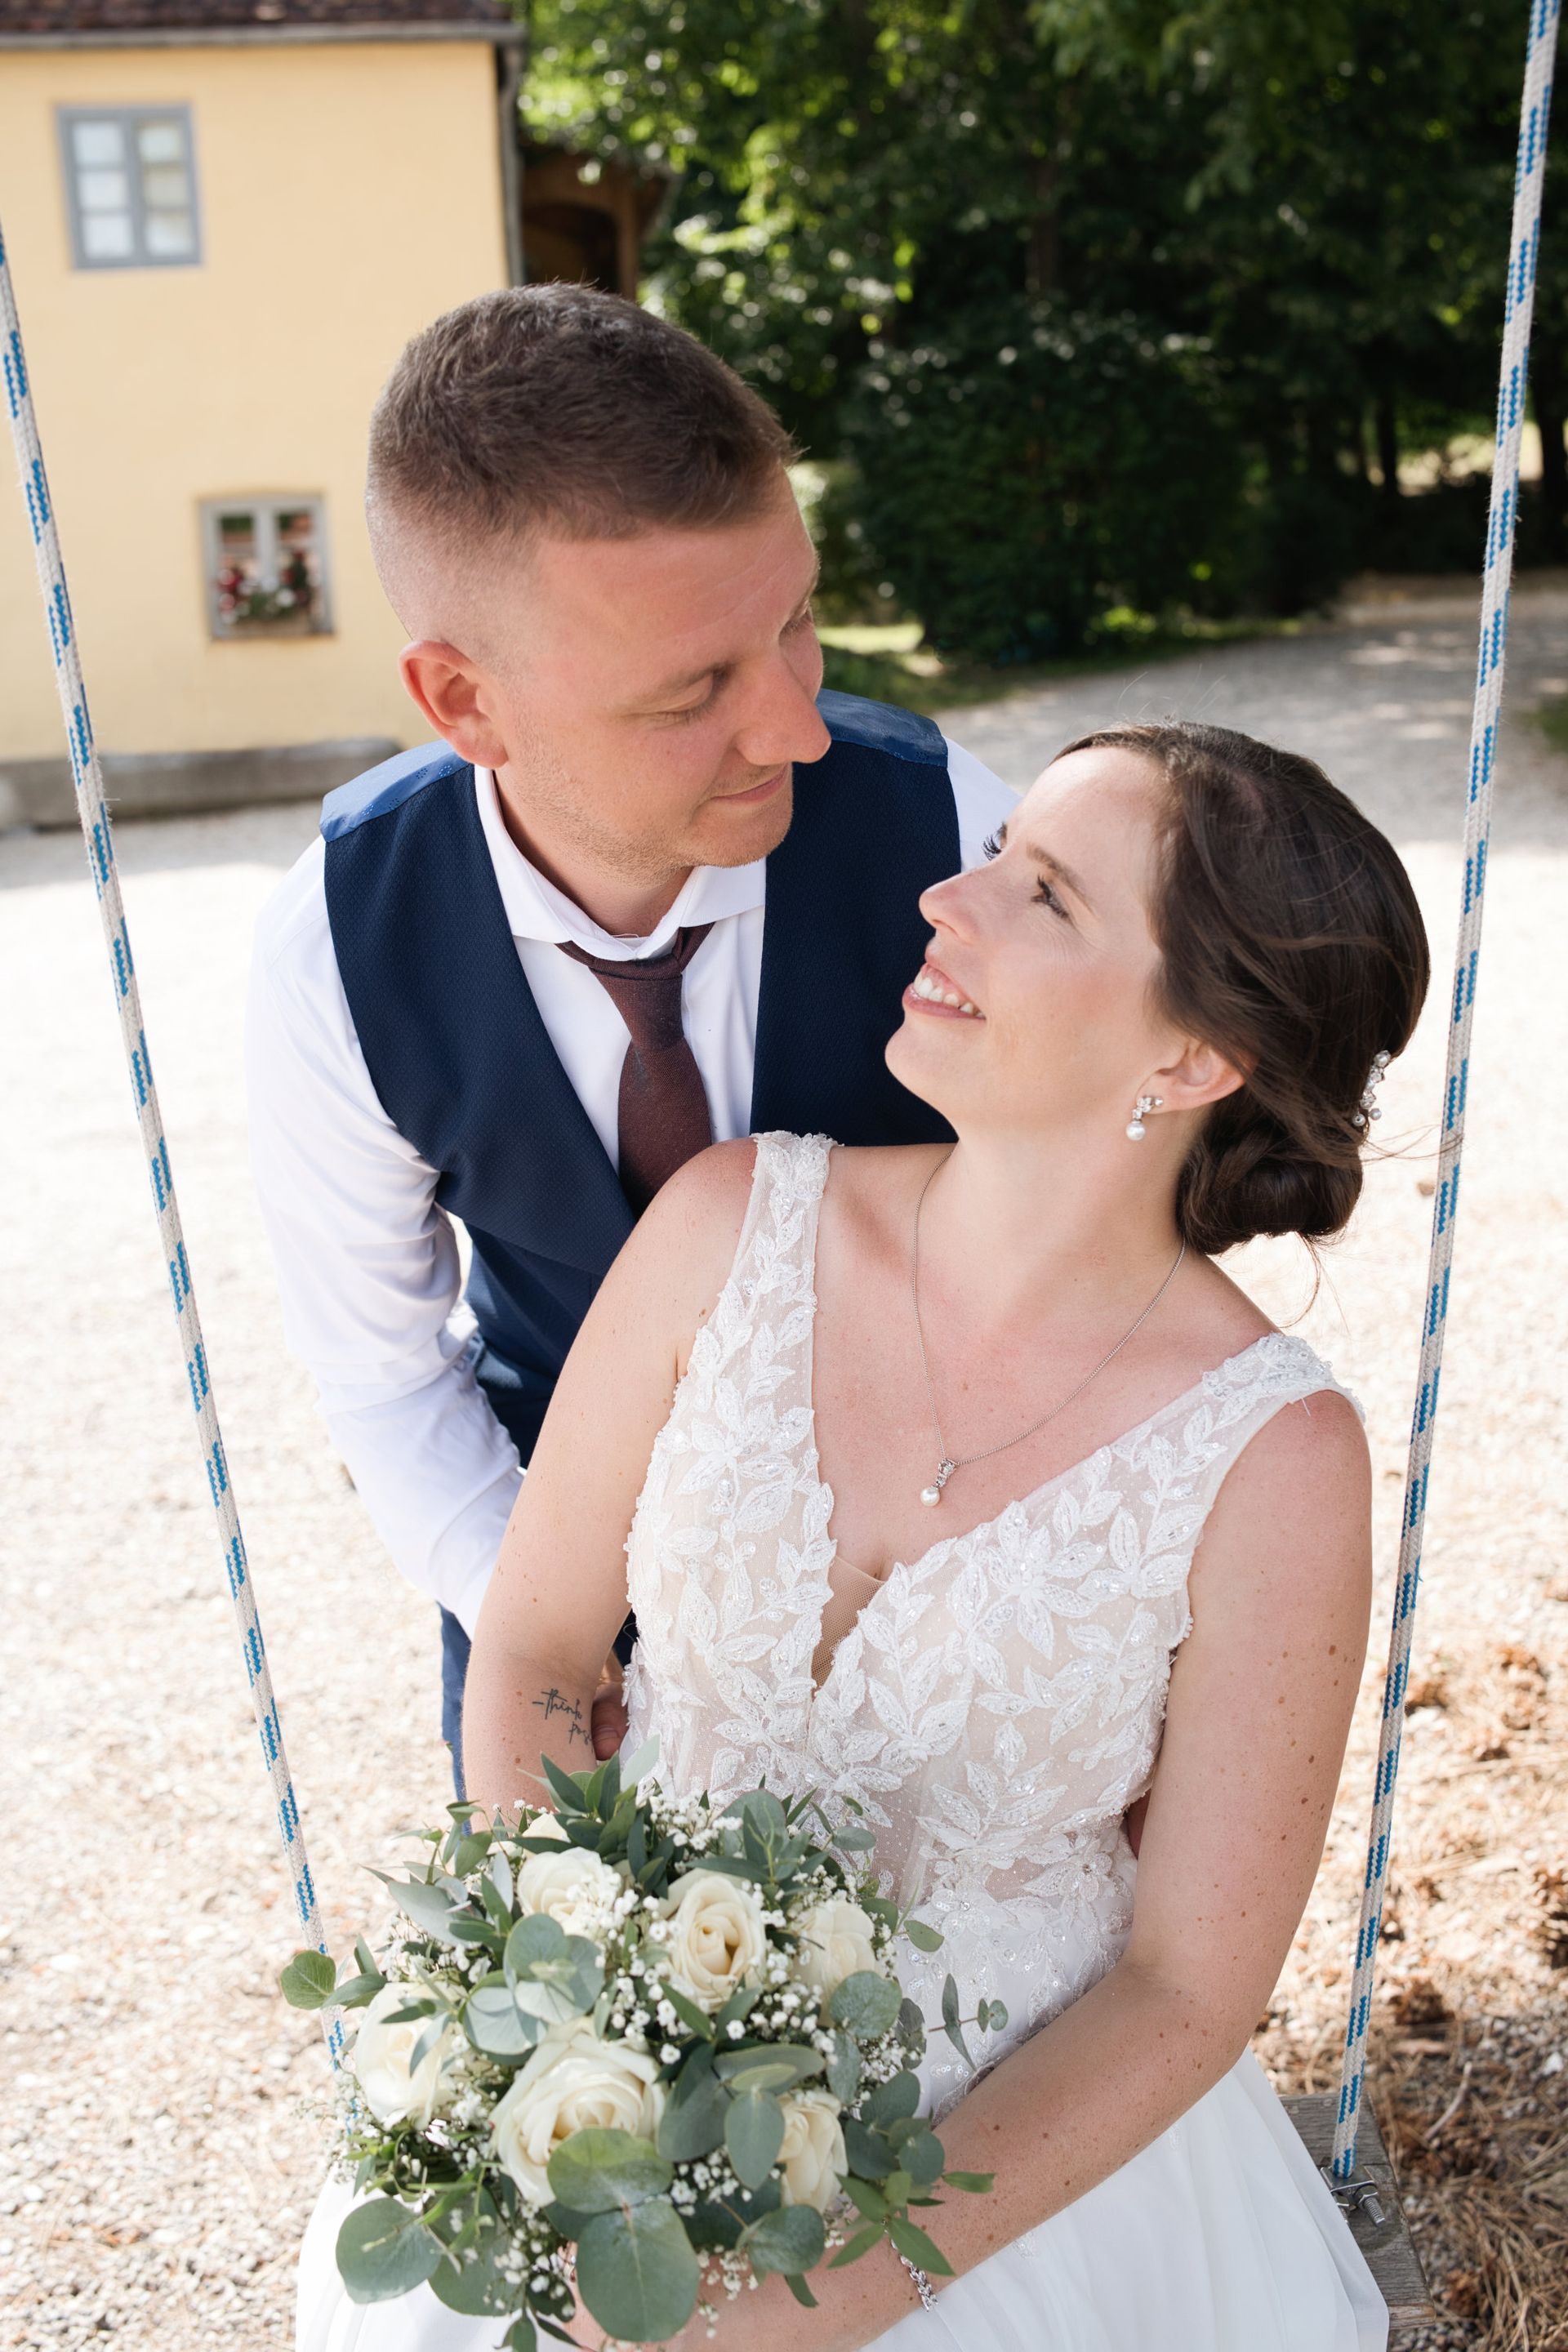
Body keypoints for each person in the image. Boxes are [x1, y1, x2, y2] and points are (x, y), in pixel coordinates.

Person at [301, 717, 1429, 2350]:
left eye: (1045, 895)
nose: (946, 900)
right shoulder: (726, 1222)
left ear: (1193, 1059)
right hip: (616, 2116)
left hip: (1006, 2179)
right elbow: (538, 1651)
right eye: (995, 857)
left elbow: (1187, 1988)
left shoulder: (1278, 1456)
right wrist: (572, 2036)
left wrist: (835, 2292)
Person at [245, 287, 1015, 1791]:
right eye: (692, 692)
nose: (796, 727)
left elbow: (1099, 1254)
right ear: (464, 700)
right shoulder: (335, 944)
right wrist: (554, 1644)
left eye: (795, 624)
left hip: (941, 1601)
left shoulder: (956, 836)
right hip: (551, 1593)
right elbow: (385, 1376)